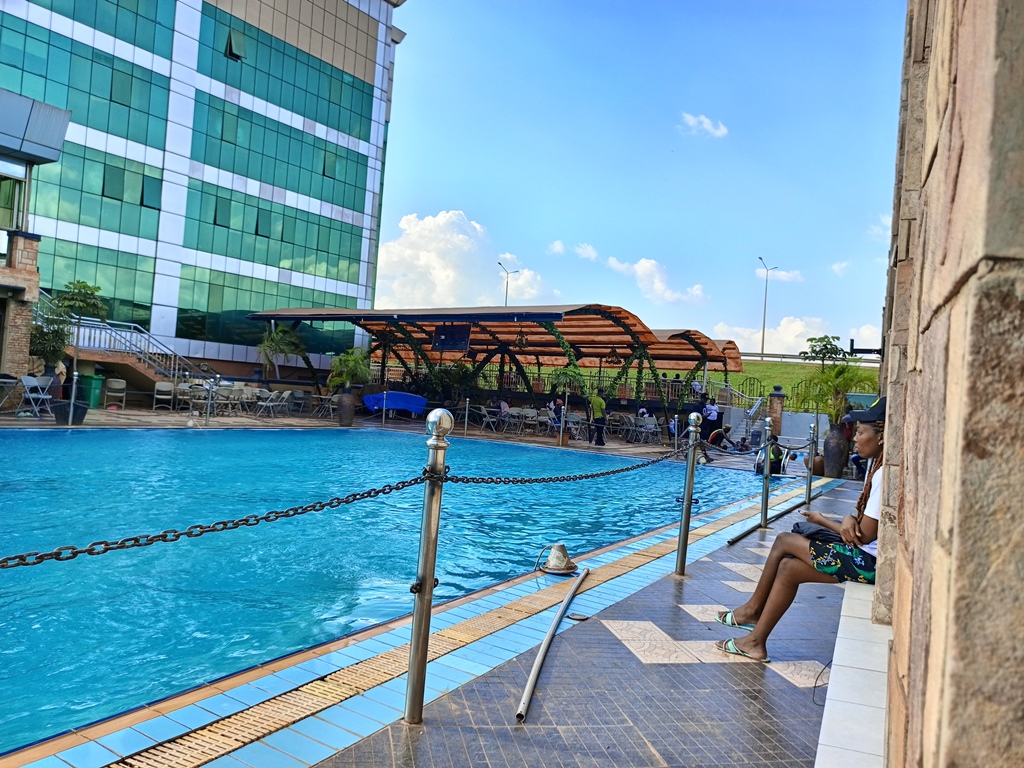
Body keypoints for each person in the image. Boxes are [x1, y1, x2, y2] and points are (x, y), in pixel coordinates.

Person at [714, 397, 886, 662]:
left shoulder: (885, 473)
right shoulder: (876, 466)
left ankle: (751, 611)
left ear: (882, 434)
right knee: (788, 568)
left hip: (870, 563)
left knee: (785, 540)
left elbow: (864, 536)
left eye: (861, 433)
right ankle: (755, 642)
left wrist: (822, 520)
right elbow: (862, 525)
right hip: (864, 557)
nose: (855, 439)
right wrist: (849, 518)